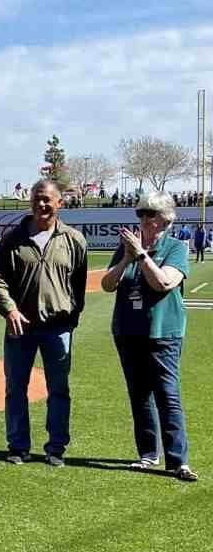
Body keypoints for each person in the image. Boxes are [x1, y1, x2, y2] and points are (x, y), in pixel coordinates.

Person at [0, 179, 88, 466]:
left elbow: (78, 284)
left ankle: (56, 447)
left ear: (60, 203)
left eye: (47, 199)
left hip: (58, 327)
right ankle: (18, 446)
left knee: (58, 389)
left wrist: (72, 315)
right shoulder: (13, 238)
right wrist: (9, 310)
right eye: (36, 199)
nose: (41, 204)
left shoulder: (73, 240)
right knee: (15, 388)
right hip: (20, 327)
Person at [100, 193, 198, 481]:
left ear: (165, 219)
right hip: (128, 332)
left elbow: (163, 283)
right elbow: (107, 284)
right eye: (140, 214)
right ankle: (147, 454)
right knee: (140, 396)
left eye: (150, 214)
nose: (143, 220)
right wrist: (126, 259)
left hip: (163, 334)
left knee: (168, 395)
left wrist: (141, 256)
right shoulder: (126, 247)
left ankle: (178, 461)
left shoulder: (175, 248)